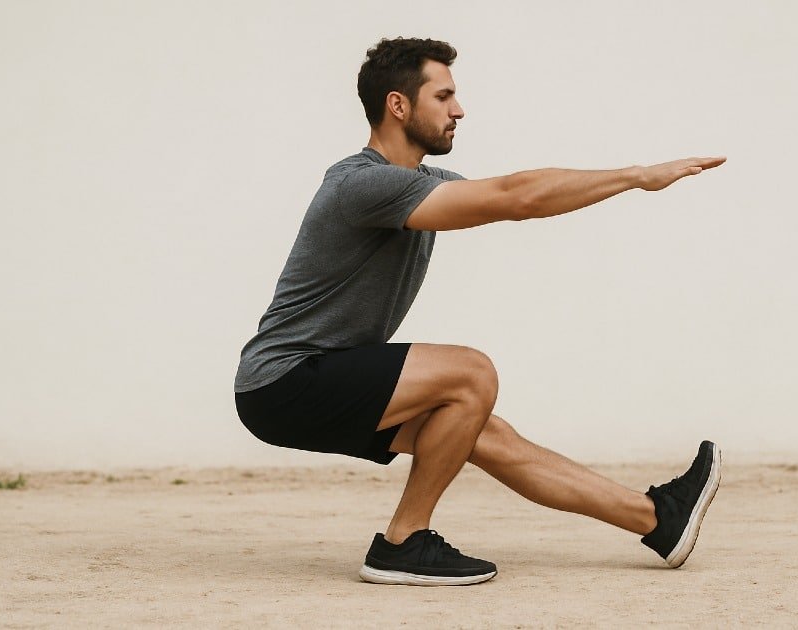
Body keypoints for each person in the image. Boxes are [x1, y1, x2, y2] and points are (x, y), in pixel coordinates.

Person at [234, 37, 725, 586]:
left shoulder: (420, 185)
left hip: (309, 382)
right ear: (398, 105)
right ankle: (402, 541)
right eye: (443, 96)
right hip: (284, 379)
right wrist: (636, 176)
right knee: (470, 374)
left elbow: (519, 201)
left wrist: (611, 188)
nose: (459, 110)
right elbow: (519, 196)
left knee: (483, 432)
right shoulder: (363, 184)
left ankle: (658, 519)